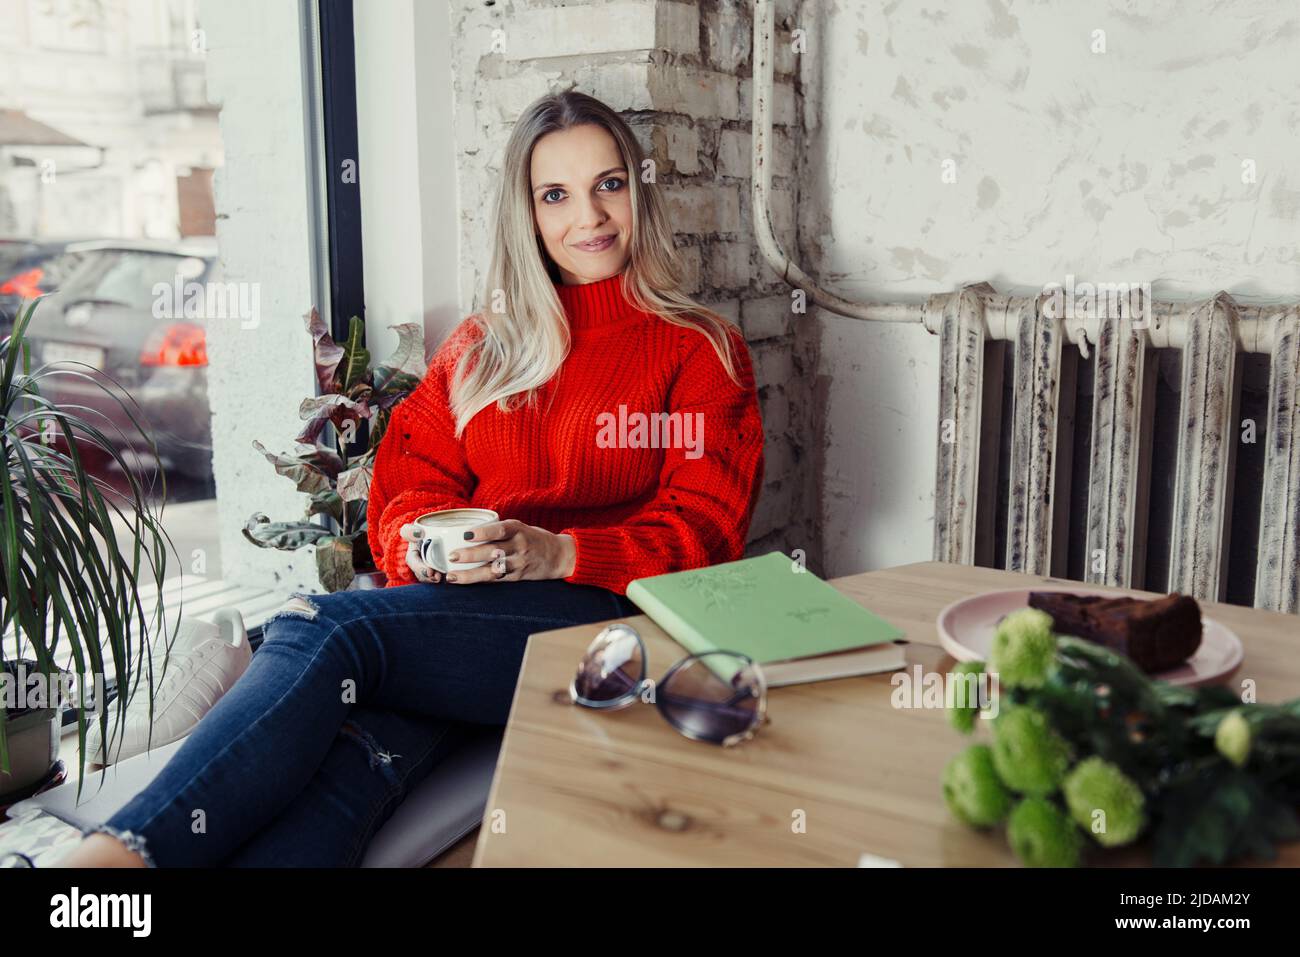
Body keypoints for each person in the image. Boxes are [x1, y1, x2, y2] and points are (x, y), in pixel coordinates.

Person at [54, 90, 765, 868]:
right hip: (469, 624)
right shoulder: (486, 344)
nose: (587, 217)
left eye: (610, 183)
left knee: (322, 625)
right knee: (356, 756)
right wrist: (431, 551)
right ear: (526, 214)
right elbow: (408, 485)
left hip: (606, 629)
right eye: (555, 194)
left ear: (641, 188)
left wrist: (557, 552)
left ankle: (104, 867)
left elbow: (706, 532)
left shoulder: (700, 349)